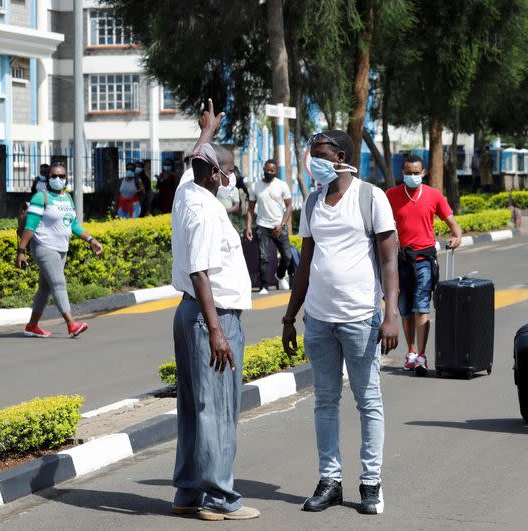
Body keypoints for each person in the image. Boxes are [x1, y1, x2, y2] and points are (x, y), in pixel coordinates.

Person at [281, 130, 399, 515]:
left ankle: (371, 484)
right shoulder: (313, 201)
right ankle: (330, 481)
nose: (312, 159)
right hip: (319, 319)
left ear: (341, 157)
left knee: (368, 402)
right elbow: (305, 265)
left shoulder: (370, 197)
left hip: (360, 318)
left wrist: (391, 312)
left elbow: (388, 261)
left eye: (319, 154)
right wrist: (289, 316)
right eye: (310, 153)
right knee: (325, 402)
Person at [170, 99, 259, 521]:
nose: (231, 178)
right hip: (212, 317)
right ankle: (218, 497)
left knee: (194, 407)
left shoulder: (187, 192)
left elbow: (194, 163)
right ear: (212, 174)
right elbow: (200, 272)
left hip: (191, 315)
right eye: (227, 171)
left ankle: (189, 491)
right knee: (218, 410)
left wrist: (207, 132)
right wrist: (218, 332)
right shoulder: (205, 210)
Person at [385, 154, 462, 375]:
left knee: (421, 306)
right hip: (400, 261)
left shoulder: (434, 195)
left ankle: (421, 355)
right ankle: (410, 352)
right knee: (405, 309)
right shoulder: (391, 196)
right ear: (402, 173)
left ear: (424, 173)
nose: (412, 176)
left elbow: (454, 227)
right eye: (408, 173)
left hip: (425, 260)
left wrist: (456, 238)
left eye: (416, 173)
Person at [15, 161, 103, 338]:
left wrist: (91, 240)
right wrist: (21, 252)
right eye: (54, 176)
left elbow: (73, 225)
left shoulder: (67, 198)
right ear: (48, 178)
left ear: (66, 178)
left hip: (61, 249)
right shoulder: (41, 197)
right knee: (58, 283)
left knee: (45, 289)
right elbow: (30, 227)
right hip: (44, 247)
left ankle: (32, 326)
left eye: (61, 176)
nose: (57, 179)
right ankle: (72, 324)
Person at [244, 159, 293, 294]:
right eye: (267, 170)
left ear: (276, 172)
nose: (269, 172)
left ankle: (281, 275)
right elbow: (250, 209)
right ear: (263, 169)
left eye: (272, 171)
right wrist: (248, 226)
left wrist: (282, 224)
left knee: (287, 256)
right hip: (262, 225)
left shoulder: (282, 185)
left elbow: (289, 206)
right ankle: (264, 286)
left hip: (279, 225)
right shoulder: (255, 186)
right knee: (263, 256)